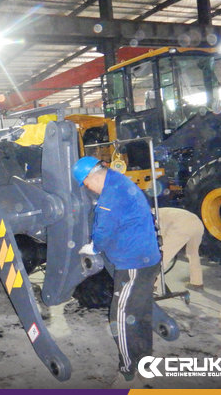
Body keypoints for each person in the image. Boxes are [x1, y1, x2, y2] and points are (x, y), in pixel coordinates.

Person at [72, 156, 161, 389]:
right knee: (140, 313)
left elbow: (104, 230)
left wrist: (94, 247)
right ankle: (145, 364)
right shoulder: (119, 181)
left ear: (91, 177)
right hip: (147, 259)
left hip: (133, 264)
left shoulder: (110, 196)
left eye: (86, 184)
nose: (88, 189)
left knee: (120, 317)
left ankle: (127, 373)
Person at [157, 207, 204, 292]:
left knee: (163, 255)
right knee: (193, 253)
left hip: (181, 225)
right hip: (197, 223)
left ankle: (153, 285)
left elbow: (159, 237)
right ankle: (197, 283)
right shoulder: (160, 211)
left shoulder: (151, 216)